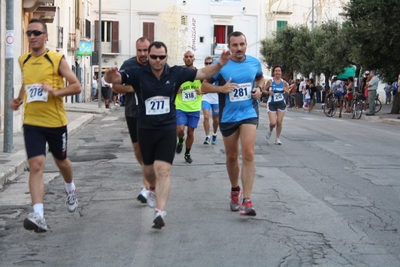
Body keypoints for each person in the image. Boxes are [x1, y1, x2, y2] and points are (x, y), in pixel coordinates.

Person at [104, 41, 231, 229]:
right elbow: (114, 80)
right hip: (145, 129)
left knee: (163, 170)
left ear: (166, 57)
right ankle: (152, 188)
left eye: (161, 57)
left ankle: (160, 212)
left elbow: (203, 74)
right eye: (153, 56)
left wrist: (220, 64)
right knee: (148, 170)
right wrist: (110, 74)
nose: (157, 60)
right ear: (149, 56)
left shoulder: (176, 73)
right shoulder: (138, 74)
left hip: (167, 129)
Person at [9, 19, 81, 233]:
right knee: (37, 165)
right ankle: (39, 215)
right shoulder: (24, 60)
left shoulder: (56, 59)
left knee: (62, 162)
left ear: (46, 36)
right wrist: (19, 99)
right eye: (29, 33)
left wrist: (55, 92)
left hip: (55, 122)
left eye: (37, 33)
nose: (32, 36)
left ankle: (70, 189)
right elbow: (27, 82)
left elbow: (76, 86)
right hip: (32, 122)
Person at [202, 31, 264, 216]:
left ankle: (248, 199)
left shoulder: (254, 62)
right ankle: (235, 189)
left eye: (242, 44)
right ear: (229, 47)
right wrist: (220, 88)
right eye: (235, 45)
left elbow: (260, 77)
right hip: (228, 116)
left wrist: (259, 88)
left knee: (248, 153)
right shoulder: (220, 64)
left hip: (249, 113)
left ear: (246, 44)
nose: (239, 48)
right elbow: (204, 86)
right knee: (231, 156)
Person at [111, 37, 151, 203]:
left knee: (147, 149)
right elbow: (115, 86)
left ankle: (147, 188)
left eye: (145, 50)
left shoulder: (157, 63)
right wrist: (133, 87)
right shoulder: (128, 65)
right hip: (132, 112)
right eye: (139, 50)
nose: (142, 54)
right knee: (137, 151)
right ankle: (148, 171)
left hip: (151, 114)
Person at [175, 51, 202, 163]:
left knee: (190, 132)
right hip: (181, 107)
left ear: (194, 59)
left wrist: (202, 91)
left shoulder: (199, 74)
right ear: (183, 59)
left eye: (190, 57)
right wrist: (176, 90)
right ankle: (181, 140)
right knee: (180, 129)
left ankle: (187, 153)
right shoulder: (178, 73)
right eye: (186, 57)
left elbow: (208, 87)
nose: (188, 58)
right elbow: (169, 86)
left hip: (194, 108)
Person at [264, 66, 290, 145]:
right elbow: (264, 90)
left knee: (279, 122)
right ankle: (271, 130)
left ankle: (277, 138)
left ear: (281, 72)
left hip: (281, 103)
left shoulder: (284, 82)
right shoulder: (270, 81)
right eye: (276, 71)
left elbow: (288, 94)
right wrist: (268, 92)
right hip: (272, 103)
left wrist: (286, 92)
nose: (278, 72)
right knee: (273, 123)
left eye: (279, 71)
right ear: (274, 72)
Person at [201, 57, 219, 145]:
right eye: (206, 63)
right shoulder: (202, 74)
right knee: (206, 116)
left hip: (216, 99)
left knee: (215, 118)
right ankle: (207, 136)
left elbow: (219, 88)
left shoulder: (218, 73)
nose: (208, 65)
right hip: (206, 97)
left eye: (210, 63)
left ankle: (214, 134)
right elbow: (200, 87)